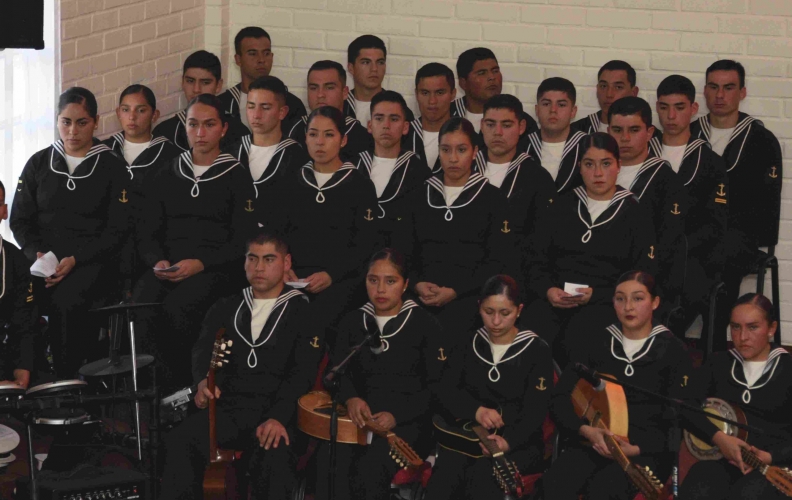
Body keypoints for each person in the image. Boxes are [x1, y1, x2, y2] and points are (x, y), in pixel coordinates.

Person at [158, 232, 321, 500]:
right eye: (252, 259)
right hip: (231, 408)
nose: (259, 267)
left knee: (274, 455)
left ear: (286, 262)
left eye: (269, 259)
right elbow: (202, 349)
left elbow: (302, 372)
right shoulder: (226, 305)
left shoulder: (304, 311)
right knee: (181, 440)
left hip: (278, 413)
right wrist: (202, 382)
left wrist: (278, 417)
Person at [133, 94, 255, 389]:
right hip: (171, 265)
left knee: (180, 308)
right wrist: (157, 261)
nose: (200, 133)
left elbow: (243, 240)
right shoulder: (167, 171)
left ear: (223, 129)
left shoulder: (236, 176)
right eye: (193, 124)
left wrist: (201, 263)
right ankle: (152, 388)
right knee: (140, 302)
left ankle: (182, 387)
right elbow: (147, 231)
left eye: (209, 125)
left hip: (216, 269)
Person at [542, 271, 697, 500]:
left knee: (604, 490)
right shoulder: (596, 342)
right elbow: (559, 397)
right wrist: (585, 431)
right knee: (554, 484)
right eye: (620, 298)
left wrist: (636, 448)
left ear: (655, 303)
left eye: (638, 298)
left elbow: (679, 419)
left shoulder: (674, 351)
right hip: (593, 442)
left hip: (644, 452)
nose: (628, 307)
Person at [11, 87, 131, 377]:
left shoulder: (112, 166)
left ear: (96, 122)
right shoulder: (39, 163)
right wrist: (36, 253)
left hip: (92, 263)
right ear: (56, 121)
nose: (72, 131)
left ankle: (69, 384)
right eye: (65, 122)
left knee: (66, 300)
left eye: (81, 122)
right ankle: (28, 376)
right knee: (16, 297)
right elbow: (20, 220)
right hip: (43, 262)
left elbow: (118, 230)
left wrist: (75, 260)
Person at [316, 249, 449, 500]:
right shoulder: (352, 322)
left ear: (406, 284)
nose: (380, 289)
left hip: (407, 426)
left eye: (390, 281)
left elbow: (437, 388)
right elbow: (336, 374)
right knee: (328, 460)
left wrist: (396, 415)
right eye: (373, 280)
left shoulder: (426, 325)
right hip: (357, 422)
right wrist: (351, 398)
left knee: (370, 467)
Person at [522, 133, 656, 362]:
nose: (598, 173)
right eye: (589, 164)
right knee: (531, 332)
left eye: (606, 164)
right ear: (579, 167)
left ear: (618, 166)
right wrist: (548, 290)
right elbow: (536, 260)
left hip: (606, 303)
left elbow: (642, 274)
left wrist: (598, 295)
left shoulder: (636, 212)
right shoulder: (560, 206)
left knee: (577, 338)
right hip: (556, 299)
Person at [423, 275, 553, 500]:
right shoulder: (468, 342)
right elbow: (445, 390)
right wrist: (476, 410)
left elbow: (535, 410)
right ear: (478, 307)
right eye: (488, 311)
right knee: (446, 476)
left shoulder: (536, 349)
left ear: (519, 310)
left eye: (505, 313)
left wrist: (508, 440)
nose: (495, 322)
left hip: (518, 442)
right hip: (469, 436)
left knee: (482, 476)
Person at [395, 118, 515, 347]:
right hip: (421, 294)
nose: (453, 158)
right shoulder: (418, 196)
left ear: (475, 152)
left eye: (461, 150)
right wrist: (417, 284)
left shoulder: (493, 199)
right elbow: (403, 252)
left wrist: (456, 290)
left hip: (470, 297)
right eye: (445, 149)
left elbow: (498, 260)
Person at [690, 60, 783, 351]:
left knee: (717, 268)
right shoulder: (690, 133)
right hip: (695, 236)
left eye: (728, 87)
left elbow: (762, 209)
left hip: (737, 239)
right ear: (704, 91)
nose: (720, 95)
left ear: (742, 92)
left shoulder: (761, 140)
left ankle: (713, 353)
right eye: (714, 87)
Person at [272, 106, 378, 347]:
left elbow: (366, 244)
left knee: (316, 320)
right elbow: (278, 235)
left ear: (343, 140)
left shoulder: (359, 185)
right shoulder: (292, 181)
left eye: (329, 135)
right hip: (294, 276)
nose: (320, 142)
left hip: (342, 279)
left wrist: (332, 274)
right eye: (313, 134)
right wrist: (284, 267)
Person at [681, 293, 792, 500]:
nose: (742, 337)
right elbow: (687, 407)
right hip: (724, 459)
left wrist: (770, 456)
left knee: (748, 495)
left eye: (752, 327)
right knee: (698, 486)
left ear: (772, 328)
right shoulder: (719, 363)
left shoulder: (787, 370)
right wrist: (720, 439)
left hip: (773, 466)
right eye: (735, 327)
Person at [649, 75, 729, 331]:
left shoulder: (710, 162)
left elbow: (714, 224)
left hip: (686, 256)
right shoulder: (643, 151)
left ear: (694, 109)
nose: (671, 116)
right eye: (664, 107)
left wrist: (673, 246)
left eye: (679, 107)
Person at [607, 96, 686, 303]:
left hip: (641, 279)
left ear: (649, 132)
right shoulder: (593, 172)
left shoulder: (666, 181)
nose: (624, 138)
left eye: (633, 130)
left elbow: (668, 246)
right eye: (617, 130)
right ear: (608, 131)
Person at [476, 94, 555, 289]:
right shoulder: (465, 169)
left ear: (521, 127)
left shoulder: (537, 178)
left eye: (507, 125)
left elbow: (541, 244)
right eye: (491, 124)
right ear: (481, 125)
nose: (498, 132)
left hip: (516, 281)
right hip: (466, 277)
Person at [226, 76, 309, 229]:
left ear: (282, 112)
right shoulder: (231, 152)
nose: (256, 115)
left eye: (265, 107)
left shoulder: (297, 158)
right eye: (251, 106)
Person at [356, 91, 428, 247]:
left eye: (394, 119)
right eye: (379, 118)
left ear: (405, 127)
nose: (386, 125)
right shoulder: (355, 167)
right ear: (370, 125)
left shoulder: (418, 171)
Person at [152, 50, 249, 151]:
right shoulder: (164, 133)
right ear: (182, 83)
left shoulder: (238, 132)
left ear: (218, 85)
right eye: (190, 81)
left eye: (205, 82)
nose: (196, 89)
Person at [218, 27, 306, 131]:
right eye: (252, 53)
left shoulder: (291, 103)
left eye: (266, 53)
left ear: (272, 57)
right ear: (238, 59)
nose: (261, 60)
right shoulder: (222, 104)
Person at [286, 60, 372, 161]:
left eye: (329, 87)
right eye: (313, 88)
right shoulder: (293, 130)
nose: (320, 94)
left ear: (344, 93)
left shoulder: (361, 137)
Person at [452, 47, 538, 138]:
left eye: (495, 71)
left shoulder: (520, 120)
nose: (492, 77)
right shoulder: (447, 114)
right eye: (482, 73)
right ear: (463, 83)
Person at [0, 181, 36, 389]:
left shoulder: (16, 260)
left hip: (7, 363)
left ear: (4, 211)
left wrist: (22, 370)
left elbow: (25, 322)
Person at [525, 77, 587, 194]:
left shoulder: (587, 146)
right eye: (546, 104)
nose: (553, 110)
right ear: (537, 110)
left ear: (573, 111)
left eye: (561, 105)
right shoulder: (522, 146)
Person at [344, 35, 414, 126]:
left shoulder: (399, 110)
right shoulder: (340, 107)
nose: (374, 69)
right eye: (366, 62)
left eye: (380, 62)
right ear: (351, 68)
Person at [407, 62, 457, 172]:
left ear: (453, 94)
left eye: (439, 93)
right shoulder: (402, 136)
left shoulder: (468, 137)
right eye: (425, 93)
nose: (432, 101)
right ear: (416, 94)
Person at [572, 60, 639, 135]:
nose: (609, 94)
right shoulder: (576, 131)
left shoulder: (647, 134)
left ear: (634, 92)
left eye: (618, 87)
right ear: (597, 89)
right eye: (603, 86)